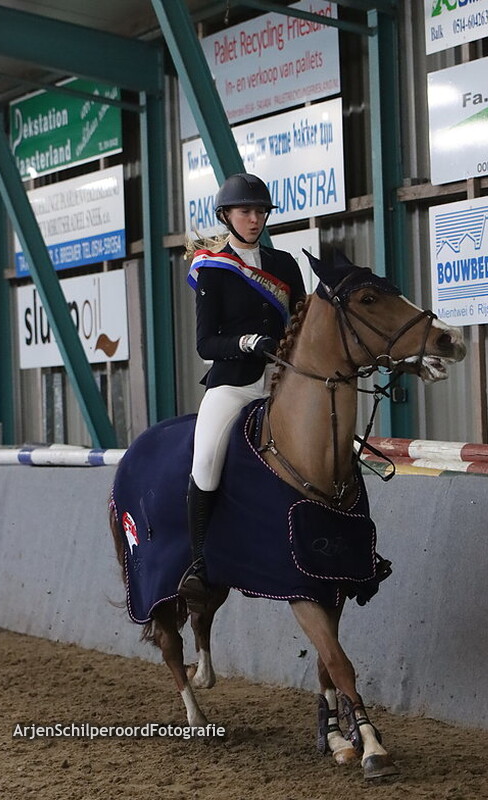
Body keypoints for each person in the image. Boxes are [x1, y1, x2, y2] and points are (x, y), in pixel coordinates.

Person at [178, 173, 307, 612]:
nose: (254, 219)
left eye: (260, 212)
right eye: (245, 212)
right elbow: (204, 344)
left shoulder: (285, 264)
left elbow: (303, 324)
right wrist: (248, 342)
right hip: (235, 384)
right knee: (206, 463)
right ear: (227, 216)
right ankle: (199, 564)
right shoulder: (214, 269)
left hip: (281, 383)